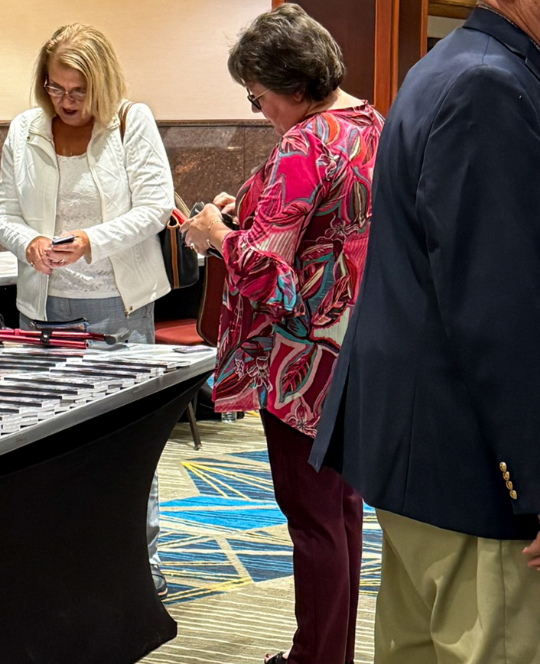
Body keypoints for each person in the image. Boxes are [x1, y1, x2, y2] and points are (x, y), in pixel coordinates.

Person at [310, 1, 540, 661]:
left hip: (422, 452)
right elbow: (500, 306)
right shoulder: (490, 83)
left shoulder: (451, 64)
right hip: (476, 469)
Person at [180, 5, 383, 663]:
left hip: (302, 362)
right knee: (341, 514)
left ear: (293, 85)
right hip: (356, 349)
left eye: (258, 95)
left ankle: (315, 658)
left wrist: (217, 236)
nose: (259, 109)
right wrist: (246, 209)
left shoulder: (304, 143)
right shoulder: (369, 125)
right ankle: (328, 652)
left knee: (311, 520)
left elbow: (269, 276)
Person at [0, 24, 174, 596]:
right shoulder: (25, 129)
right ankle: (62, 563)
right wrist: (29, 243)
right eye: (56, 88)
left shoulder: (131, 122)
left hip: (117, 306)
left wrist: (91, 241)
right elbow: (2, 213)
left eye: (78, 91)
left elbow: (156, 207)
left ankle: (139, 564)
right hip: (43, 307)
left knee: (126, 443)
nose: (66, 102)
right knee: (51, 443)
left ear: (103, 83)